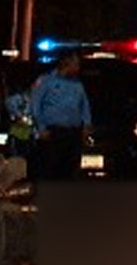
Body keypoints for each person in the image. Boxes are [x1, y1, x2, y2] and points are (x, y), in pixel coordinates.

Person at [28, 49, 93, 181]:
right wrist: (41, 128)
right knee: (51, 170)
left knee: (70, 171)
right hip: (54, 133)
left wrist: (86, 125)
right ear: (66, 63)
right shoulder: (47, 81)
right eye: (75, 64)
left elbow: (84, 106)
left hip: (73, 133)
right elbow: (35, 105)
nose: (78, 68)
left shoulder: (78, 85)